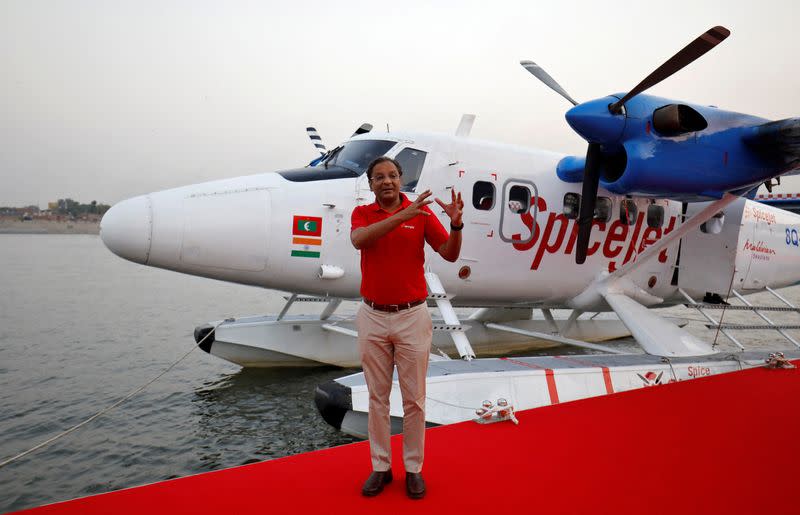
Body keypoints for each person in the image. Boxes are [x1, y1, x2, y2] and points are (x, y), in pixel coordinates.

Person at [350, 156, 463, 499]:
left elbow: (449, 253)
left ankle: (413, 469)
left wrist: (456, 226)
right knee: (377, 398)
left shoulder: (422, 214)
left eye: (393, 176)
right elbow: (360, 240)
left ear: (401, 180)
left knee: (414, 400)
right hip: (373, 315)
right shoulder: (364, 214)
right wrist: (403, 215)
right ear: (370, 184)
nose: (387, 181)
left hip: (412, 316)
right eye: (380, 177)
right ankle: (381, 467)